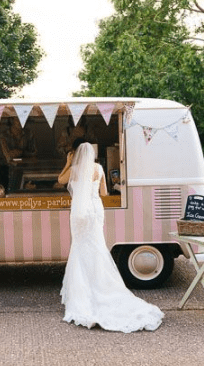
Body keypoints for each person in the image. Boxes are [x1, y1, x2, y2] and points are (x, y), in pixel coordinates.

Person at [59, 143, 164, 333]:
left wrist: (67, 163)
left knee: (80, 246)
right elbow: (104, 193)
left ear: (76, 156)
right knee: (97, 246)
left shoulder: (74, 170)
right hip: (95, 210)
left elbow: (60, 180)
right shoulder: (98, 168)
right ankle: (102, 285)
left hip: (79, 213)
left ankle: (83, 291)